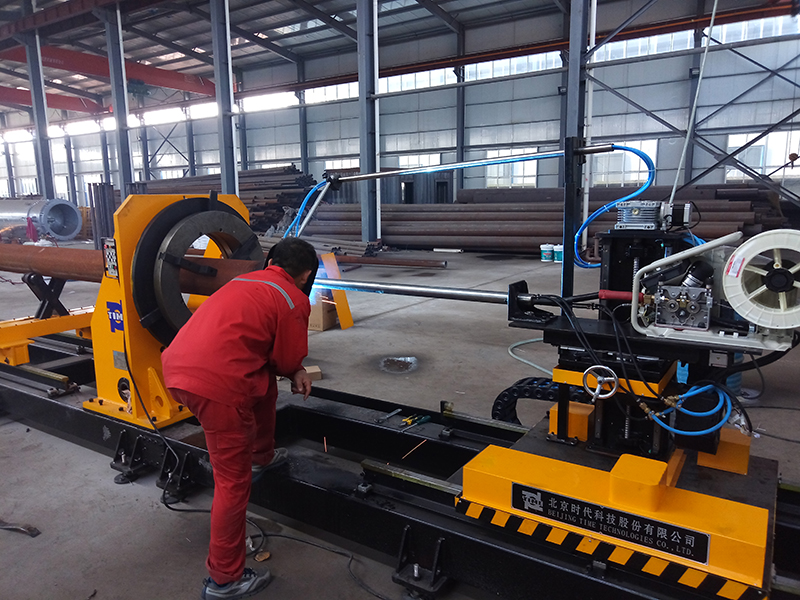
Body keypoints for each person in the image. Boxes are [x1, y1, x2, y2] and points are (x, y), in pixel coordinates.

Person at [161, 237, 318, 600]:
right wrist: (297, 369)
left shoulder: (242, 281)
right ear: (306, 274)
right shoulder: (293, 299)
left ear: (270, 262)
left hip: (176, 368)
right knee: (232, 484)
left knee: (263, 382)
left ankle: (262, 456)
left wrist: (287, 369)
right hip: (218, 389)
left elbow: (267, 361)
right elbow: (285, 359)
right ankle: (225, 580)